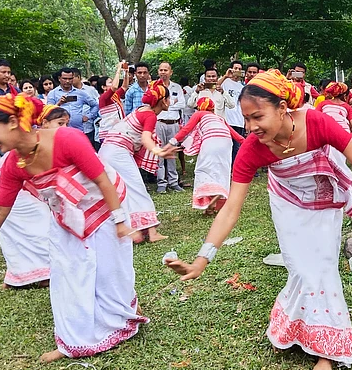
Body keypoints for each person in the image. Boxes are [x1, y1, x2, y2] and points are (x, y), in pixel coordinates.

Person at [164, 70, 352, 370]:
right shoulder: (252, 147)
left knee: (322, 268)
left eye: (257, 116)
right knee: (300, 268)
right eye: (246, 119)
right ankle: (298, 325)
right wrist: (202, 258)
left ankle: (325, 350)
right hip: (287, 203)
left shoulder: (318, 122)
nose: (250, 127)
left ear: (282, 108)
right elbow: (231, 209)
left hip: (325, 200)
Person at [0, 93, 148, 361]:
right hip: (66, 215)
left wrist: (120, 222)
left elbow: (102, 181)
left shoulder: (67, 138)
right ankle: (74, 342)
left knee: (110, 272)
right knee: (68, 275)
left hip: (106, 206)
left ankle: (124, 315)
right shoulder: (14, 164)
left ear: (14, 121)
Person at [0, 106, 67, 289]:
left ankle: (21, 277)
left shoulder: (56, 141)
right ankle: (46, 273)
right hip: (9, 191)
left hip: (7, 189)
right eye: (60, 123)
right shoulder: (26, 146)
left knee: (20, 232)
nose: (64, 127)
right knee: (42, 226)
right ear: (44, 123)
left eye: (66, 123)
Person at [99, 81, 173, 243]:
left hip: (108, 150)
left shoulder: (141, 110)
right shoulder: (150, 115)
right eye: (168, 98)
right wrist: (158, 151)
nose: (170, 102)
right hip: (118, 151)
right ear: (163, 101)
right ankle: (151, 231)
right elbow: (146, 138)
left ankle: (133, 228)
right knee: (137, 187)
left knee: (121, 189)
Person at [170, 97, 244, 214]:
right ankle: (215, 200)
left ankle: (216, 195)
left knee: (203, 170)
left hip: (211, 140)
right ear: (213, 108)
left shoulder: (199, 114)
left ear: (199, 107)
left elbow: (187, 129)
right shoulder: (219, 118)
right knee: (222, 171)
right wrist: (248, 144)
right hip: (226, 142)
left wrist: (172, 142)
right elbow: (236, 135)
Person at [155, 62, 186, 193]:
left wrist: (166, 104)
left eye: (166, 70)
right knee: (160, 153)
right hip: (159, 123)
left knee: (172, 153)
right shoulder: (155, 87)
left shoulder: (177, 87)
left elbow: (182, 104)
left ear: (170, 72)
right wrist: (173, 102)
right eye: (161, 70)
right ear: (158, 71)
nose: (163, 72)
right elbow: (153, 104)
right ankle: (161, 183)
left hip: (173, 123)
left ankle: (173, 181)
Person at [45, 68, 99, 135]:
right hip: (60, 132)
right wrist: (59, 103)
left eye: (70, 79)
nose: (67, 81)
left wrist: (88, 116)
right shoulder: (53, 93)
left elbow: (95, 105)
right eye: (65, 78)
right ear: (59, 78)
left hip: (78, 131)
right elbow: (48, 112)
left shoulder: (80, 93)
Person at [219, 61, 247, 163]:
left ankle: (234, 168)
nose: (237, 71)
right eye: (235, 68)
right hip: (226, 119)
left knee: (236, 147)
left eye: (240, 69)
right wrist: (225, 76)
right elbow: (214, 86)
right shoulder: (225, 82)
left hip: (238, 120)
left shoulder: (242, 86)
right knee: (225, 145)